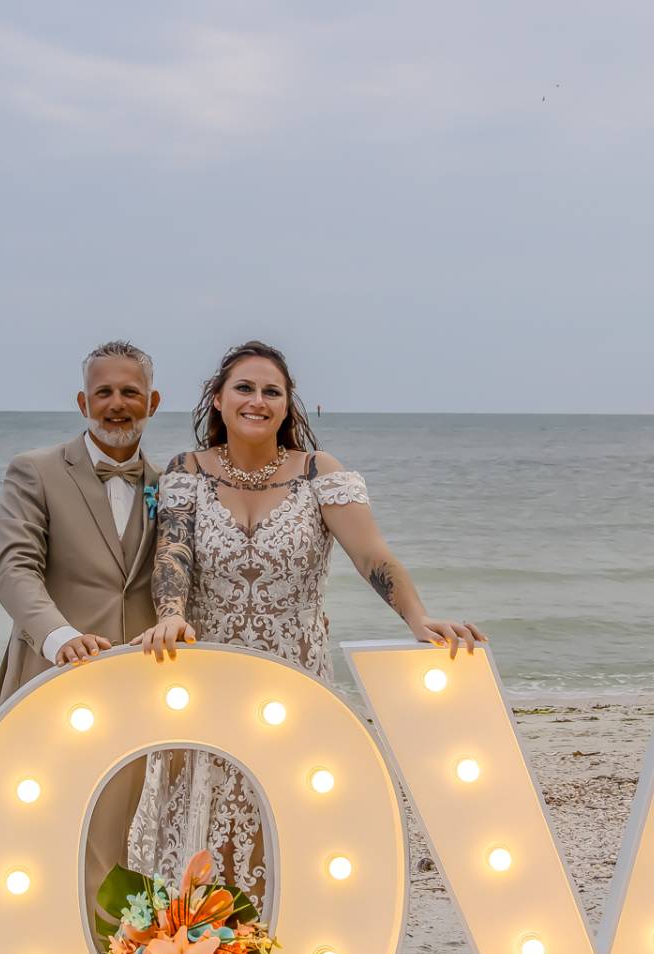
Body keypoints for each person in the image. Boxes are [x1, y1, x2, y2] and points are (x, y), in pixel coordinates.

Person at [129, 339, 484, 911]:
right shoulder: (186, 471)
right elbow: (172, 557)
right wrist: (170, 617)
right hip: (209, 675)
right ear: (217, 400)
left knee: (286, 820)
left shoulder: (320, 474)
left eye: (273, 391)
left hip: (294, 676)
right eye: (244, 387)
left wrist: (419, 617)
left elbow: (375, 557)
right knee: (204, 826)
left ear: (288, 406)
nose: (258, 400)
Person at [0, 339, 163, 890]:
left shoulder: (170, 485)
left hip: (135, 683)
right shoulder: (35, 471)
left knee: (111, 835)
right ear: (83, 402)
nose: (117, 403)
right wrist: (58, 635)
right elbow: (13, 569)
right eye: (104, 392)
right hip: (50, 678)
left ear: (152, 402)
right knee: (36, 834)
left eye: (130, 392)